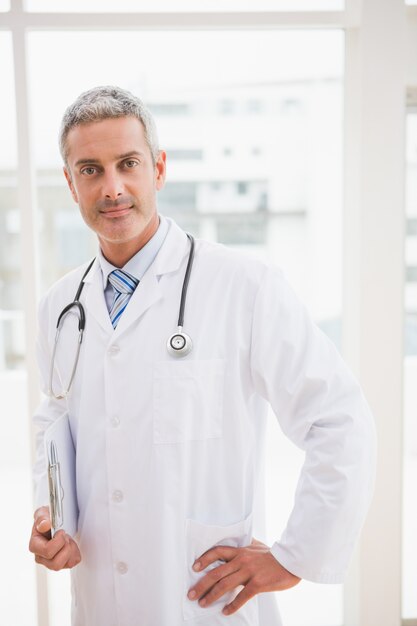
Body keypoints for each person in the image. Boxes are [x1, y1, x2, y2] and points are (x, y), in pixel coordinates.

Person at [29, 85, 376, 626]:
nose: (113, 187)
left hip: (204, 602)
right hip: (99, 601)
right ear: (71, 184)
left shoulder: (244, 286)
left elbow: (339, 419)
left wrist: (295, 556)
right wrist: (54, 516)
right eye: (91, 170)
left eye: (128, 163)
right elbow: (54, 420)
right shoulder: (60, 305)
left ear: (159, 169)